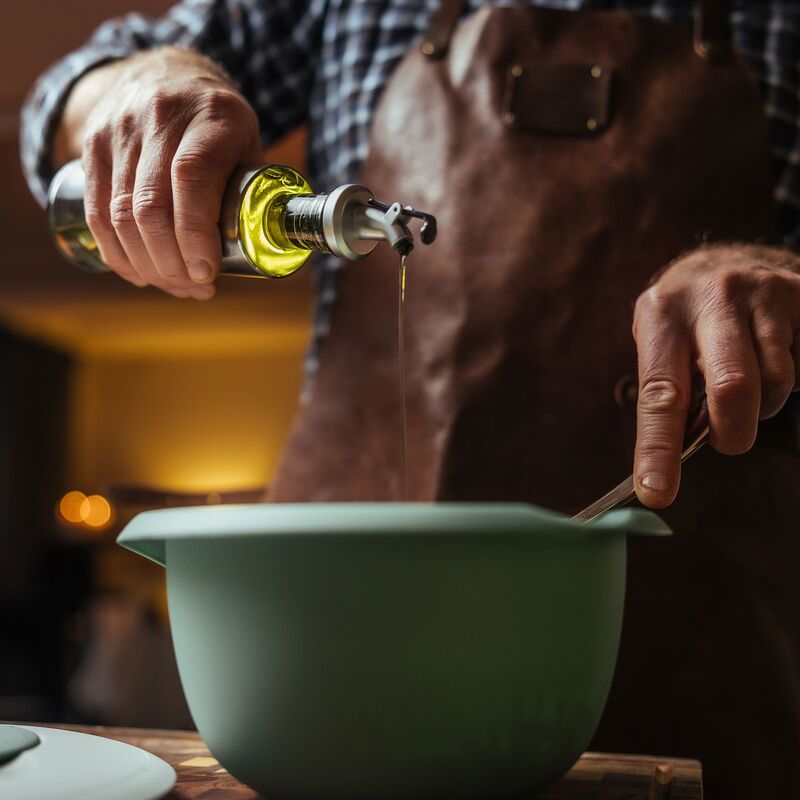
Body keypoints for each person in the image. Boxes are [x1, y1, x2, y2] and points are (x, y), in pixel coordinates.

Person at [20, 1, 800, 797]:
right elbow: (68, 94)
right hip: (328, 666)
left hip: (703, 662)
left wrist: (783, 282)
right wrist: (148, 83)